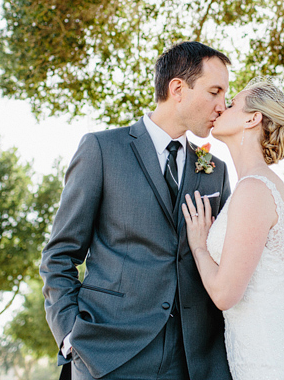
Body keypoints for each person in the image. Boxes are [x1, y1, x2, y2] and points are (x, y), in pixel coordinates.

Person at [40, 41, 234, 380]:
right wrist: (71, 336)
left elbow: (228, 259)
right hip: (108, 355)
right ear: (177, 89)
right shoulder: (102, 150)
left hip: (194, 362)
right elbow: (60, 254)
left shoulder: (215, 169)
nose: (223, 105)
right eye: (215, 91)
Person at [182, 77, 284, 380]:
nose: (221, 108)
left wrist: (198, 245)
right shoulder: (258, 185)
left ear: (253, 118)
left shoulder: (254, 189)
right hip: (260, 358)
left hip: (270, 363)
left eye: (232, 103)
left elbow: (224, 294)